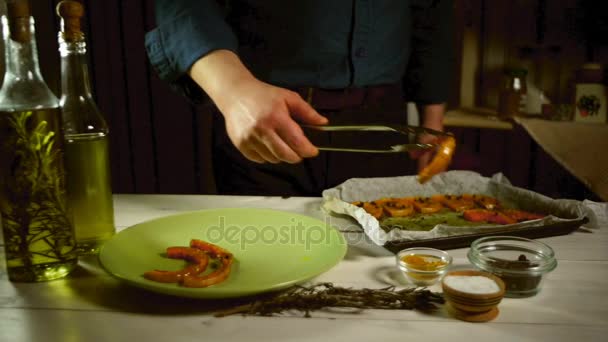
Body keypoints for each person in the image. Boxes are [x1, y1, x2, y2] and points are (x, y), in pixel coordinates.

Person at [145, 0, 455, 196]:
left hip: (381, 126)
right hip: (265, 120)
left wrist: (433, 116)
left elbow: (432, 14)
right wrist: (236, 91)